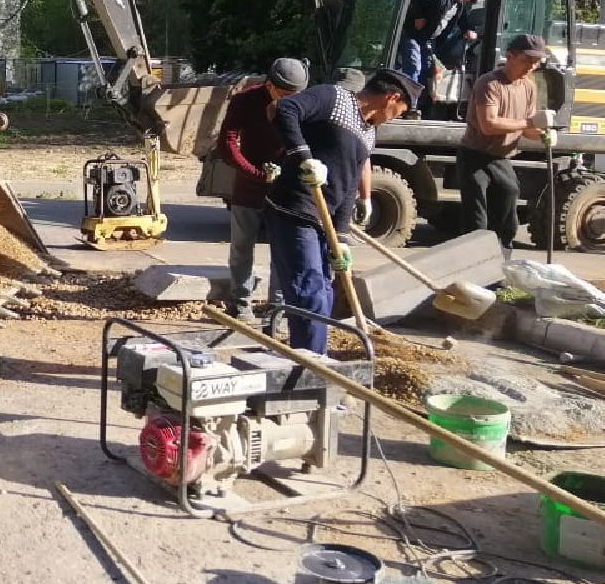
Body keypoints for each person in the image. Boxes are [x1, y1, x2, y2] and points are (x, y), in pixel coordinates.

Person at [264, 69, 422, 354]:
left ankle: (313, 358)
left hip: (325, 219)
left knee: (324, 291)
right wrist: (303, 156)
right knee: (308, 291)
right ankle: (312, 365)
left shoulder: (368, 132)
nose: (397, 116)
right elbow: (286, 108)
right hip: (295, 207)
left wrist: (341, 238)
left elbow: (348, 188)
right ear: (392, 97)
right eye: (401, 110)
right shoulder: (334, 99)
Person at [216, 57, 309, 318]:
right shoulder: (245, 101)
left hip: (285, 192)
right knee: (242, 248)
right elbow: (227, 143)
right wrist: (254, 173)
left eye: (296, 94)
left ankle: (277, 309)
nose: (291, 99)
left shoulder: (302, 103)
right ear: (270, 85)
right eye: (285, 93)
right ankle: (240, 303)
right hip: (248, 189)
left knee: (282, 251)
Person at [456, 33, 548, 251]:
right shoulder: (489, 83)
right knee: (477, 221)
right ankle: (473, 271)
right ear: (510, 56)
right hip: (474, 157)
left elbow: (527, 130)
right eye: (527, 60)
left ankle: (500, 269)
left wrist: (543, 135)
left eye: (536, 63)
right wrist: (528, 123)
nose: (531, 67)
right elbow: (489, 125)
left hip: (502, 159)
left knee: (507, 213)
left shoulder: (528, 87)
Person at [398, 0, 486, 103]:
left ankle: (421, 104)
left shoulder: (460, 3)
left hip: (429, 39)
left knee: (427, 69)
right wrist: (418, 16)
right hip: (414, 34)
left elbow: (462, 20)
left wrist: (468, 30)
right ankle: (410, 105)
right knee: (413, 66)